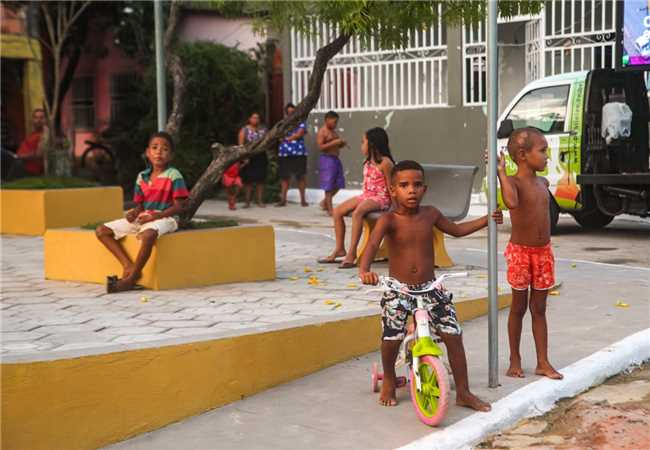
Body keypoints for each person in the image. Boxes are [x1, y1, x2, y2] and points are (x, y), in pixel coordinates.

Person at [359, 160, 503, 409]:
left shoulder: (431, 214)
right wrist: (364, 270)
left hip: (431, 288)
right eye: (404, 185)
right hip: (399, 289)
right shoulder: (388, 220)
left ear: (424, 188)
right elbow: (372, 245)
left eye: (416, 185)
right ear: (393, 190)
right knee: (391, 338)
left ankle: (464, 392)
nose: (411, 190)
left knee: (453, 336)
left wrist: (486, 220)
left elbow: (456, 230)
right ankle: (390, 380)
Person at [497, 127, 563, 380]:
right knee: (518, 307)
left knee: (540, 308)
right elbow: (512, 203)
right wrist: (502, 173)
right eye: (543, 150)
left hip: (543, 253)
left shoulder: (543, 183)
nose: (547, 156)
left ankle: (542, 361)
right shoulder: (513, 182)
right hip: (520, 253)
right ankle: (515, 358)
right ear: (522, 155)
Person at [96, 132, 189, 293]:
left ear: (171, 155)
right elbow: (139, 206)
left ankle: (132, 279)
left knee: (148, 235)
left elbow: (180, 206)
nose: (159, 152)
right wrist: (133, 213)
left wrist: (157, 215)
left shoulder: (174, 175)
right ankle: (129, 266)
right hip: (144, 217)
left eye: (165, 149)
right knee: (102, 231)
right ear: (147, 153)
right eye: (154, 148)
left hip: (166, 217)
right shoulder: (142, 177)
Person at [318, 127, 394, 269]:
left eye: (363, 142)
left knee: (359, 212)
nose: (361, 145)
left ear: (372, 144)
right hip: (366, 195)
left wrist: (395, 207)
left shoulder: (385, 163)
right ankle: (340, 248)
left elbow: (391, 186)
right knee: (337, 211)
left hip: (381, 198)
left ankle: (352, 253)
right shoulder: (368, 161)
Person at [277, 103, 308, 207]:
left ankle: (303, 200)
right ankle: (283, 200)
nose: (291, 114)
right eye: (289, 112)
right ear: (286, 113)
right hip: (284, 153)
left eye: (292, 112)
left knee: (301, 176)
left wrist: (288, 138)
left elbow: (300, 133)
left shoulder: (301, 121)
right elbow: (279, 135)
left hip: (299, 152)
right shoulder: (282, 123)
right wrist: (288, 138)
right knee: (285, 177)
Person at [317, 110, 346, 215]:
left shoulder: (334, 132)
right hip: (327, 160)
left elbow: (336, 145)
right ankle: (330, 209)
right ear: (327, 120)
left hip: (335, 160)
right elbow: (320, 147)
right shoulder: (322, 131)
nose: (335, 124)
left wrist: (341, 144)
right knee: (329, 185)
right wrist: (335, 142)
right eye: (334, 122)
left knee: (339, 183)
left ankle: (324, 202)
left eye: (336, 122)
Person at [239, 112, 268, 208]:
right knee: (248, 180)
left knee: (260, 180)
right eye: (253, 118)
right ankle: (247, 202)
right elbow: (241, 145)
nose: (255, 120)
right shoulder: (244, 130)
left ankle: (259, 201)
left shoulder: (263, 129)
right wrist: (244, 157)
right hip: (249, 156)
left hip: (261, 156)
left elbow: (268, 142)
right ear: (249, 119)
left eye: (257, 118)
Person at [16, 108, 47, 175]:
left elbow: (39, 154)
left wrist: (19, 157)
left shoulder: (45, 134)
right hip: (20, 166)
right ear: (32, 120)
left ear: (45, 120)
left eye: (41, 118)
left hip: (29, 171)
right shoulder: (32, 134)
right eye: (36, 117)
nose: (38, 120)